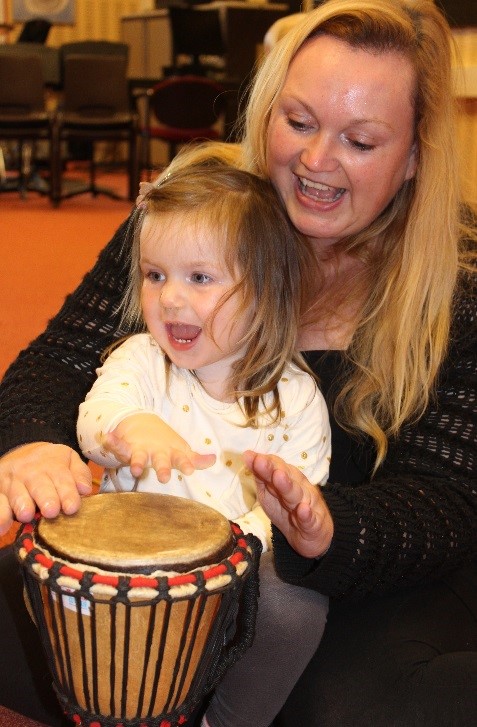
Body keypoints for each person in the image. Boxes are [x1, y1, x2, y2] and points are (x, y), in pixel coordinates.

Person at [0, 0, 475, 725]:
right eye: (298, 121)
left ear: (413, 154)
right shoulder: (193, 213)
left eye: (360, 139)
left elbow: (446, 500)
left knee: (346, 701)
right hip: (166, 545)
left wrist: (326, 531)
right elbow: (55, 363)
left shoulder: (456, 281)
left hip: (358, 583)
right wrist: (35, 440)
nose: (317, 161)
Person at [75, 161, 331, 727]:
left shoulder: (297, 400)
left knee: (300, 607)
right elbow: (95, 419)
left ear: (265, 291)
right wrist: (126, 428)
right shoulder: (142, 361)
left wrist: (284, 525)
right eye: (155, 275)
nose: (169, 300)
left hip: (228, 593)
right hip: (127, 581)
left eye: (200, 278)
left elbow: (289, 518)